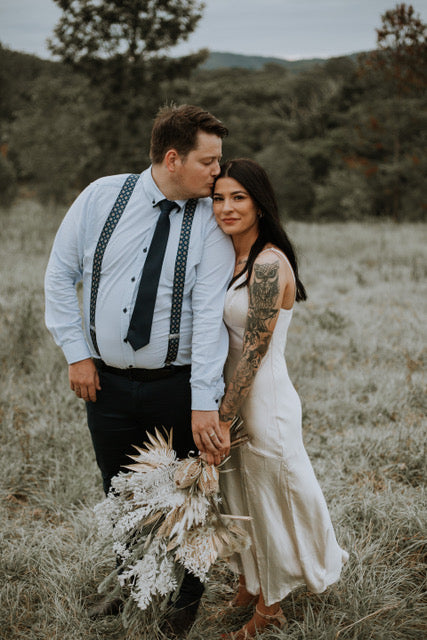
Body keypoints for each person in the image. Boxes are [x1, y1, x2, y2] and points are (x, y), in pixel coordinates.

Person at [44, 104, 234, 635]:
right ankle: (131, 582)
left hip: (174, 384)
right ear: (173, 158)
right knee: (121, 492)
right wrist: (77, 354)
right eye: (209, 161)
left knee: (189, 498)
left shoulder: (209, 220)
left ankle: (186, 600)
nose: (218, 172)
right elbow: (60, 276)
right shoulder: (102, 196)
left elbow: (208, 318)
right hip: (103, 380)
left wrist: (203, 401)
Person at [211, 158, 348, 640]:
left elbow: (253, 351)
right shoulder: (228, 256)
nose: (226, 207)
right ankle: (251, 581)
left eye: (238, 198)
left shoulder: (268, 265)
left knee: (270, 500)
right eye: (218, 198)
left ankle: (271, 608)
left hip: (260, 400)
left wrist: (223, 418)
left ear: (259, 203)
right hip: (229, 395)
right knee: (239, 494)